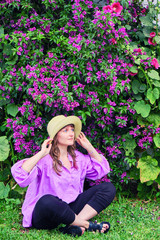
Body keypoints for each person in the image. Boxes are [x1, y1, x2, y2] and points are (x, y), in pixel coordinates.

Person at [11, 115, 116, 237]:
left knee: (108, 188)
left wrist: (88, 146)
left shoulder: (78, 158)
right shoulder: (44, 159)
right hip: (47, 213)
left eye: (72, 129)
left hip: (70, 208)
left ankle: (73, 225)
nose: (71, 133)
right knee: (47, 200)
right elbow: (20, 174)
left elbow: (102, 169)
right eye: (65, 130)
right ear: (55, 136)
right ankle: (88, 225)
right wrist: (41, 153)